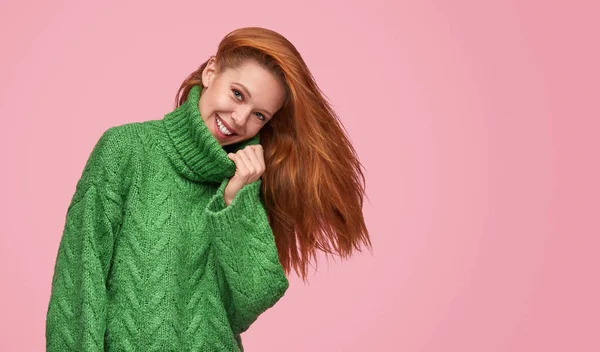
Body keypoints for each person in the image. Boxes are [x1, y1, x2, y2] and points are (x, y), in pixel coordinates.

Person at [45, 26, 372, 351]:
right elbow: (79, 284)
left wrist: (234, 202)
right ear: (211, 71)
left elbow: (245, 306)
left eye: (259, 114)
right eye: (238, 94)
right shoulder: (126, 149)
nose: (241, 119)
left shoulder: (241, 184)